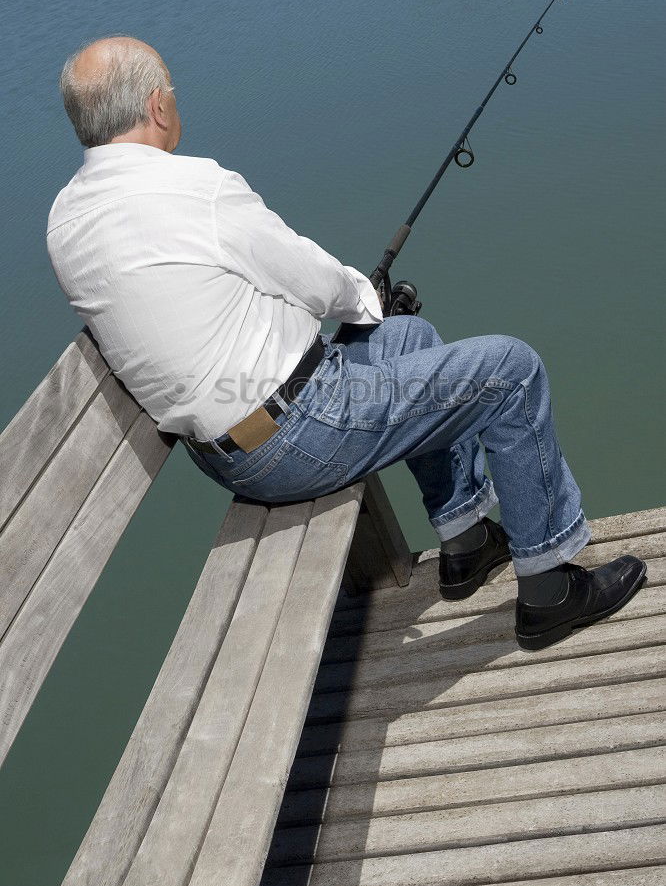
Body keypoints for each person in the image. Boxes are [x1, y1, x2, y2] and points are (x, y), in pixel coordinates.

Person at [47, 35, 645, 651]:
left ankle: (466, 543)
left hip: (230, 444)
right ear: (158, 106)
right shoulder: (193, 189)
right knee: (510, 371)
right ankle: (550, 589)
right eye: (172, 91)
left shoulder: (65, 218)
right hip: (295, 435)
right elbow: (308, 276)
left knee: (407, 336)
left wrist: (366, 319)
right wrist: (364, 298)